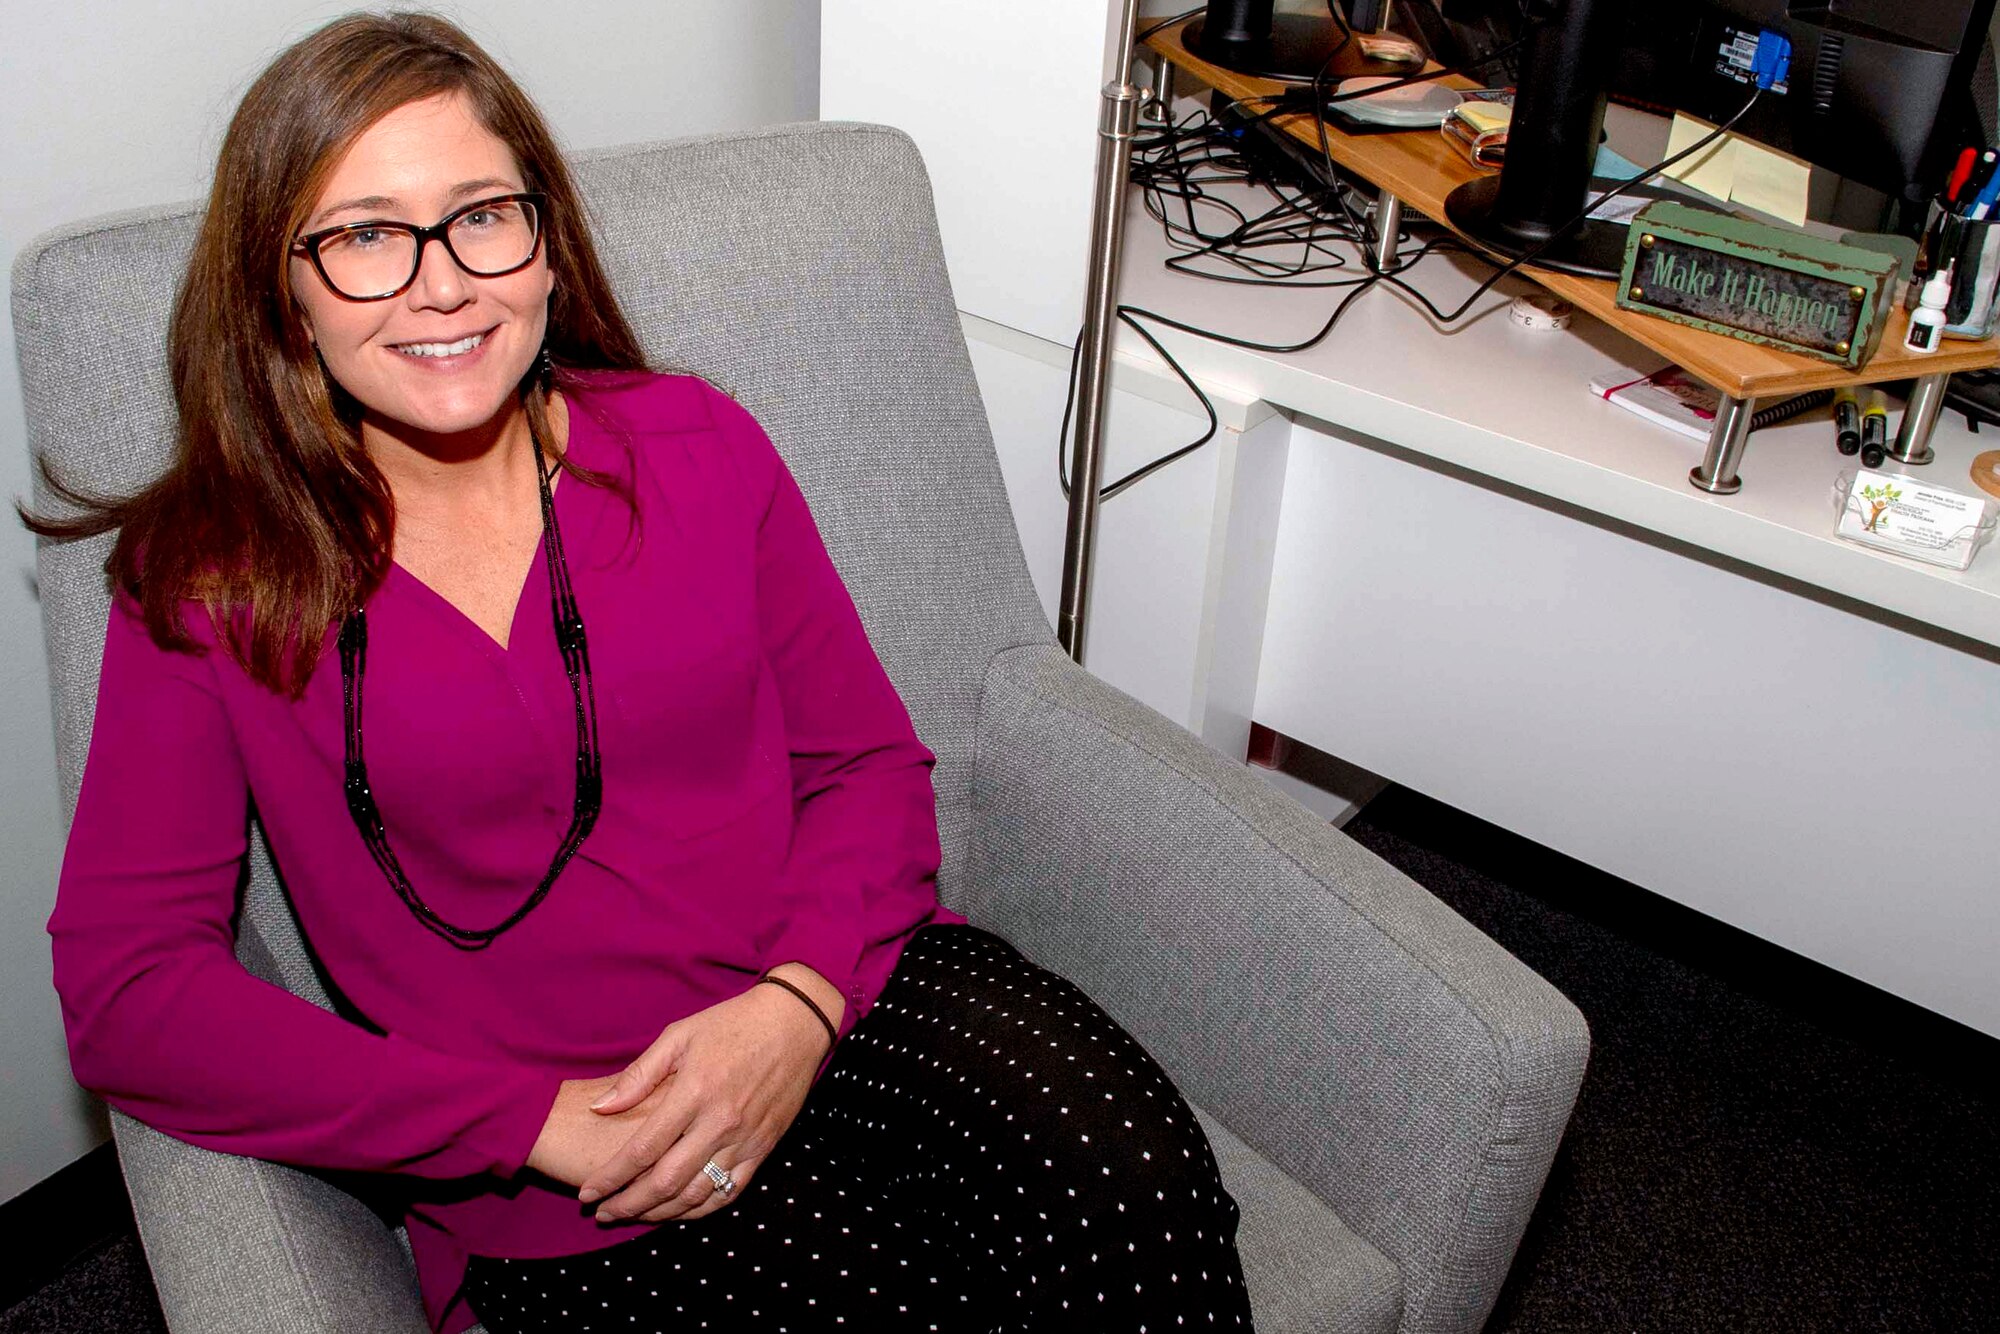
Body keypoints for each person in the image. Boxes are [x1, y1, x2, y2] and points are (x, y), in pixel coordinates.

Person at [34, 12, 1253, 1333]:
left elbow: (865, 769)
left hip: (836, 987)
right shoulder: (209, 580)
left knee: (1139, 1184)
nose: (441, 282)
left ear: (546, 244)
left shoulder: (694, 446)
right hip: (578, 1147)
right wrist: (523, 1120)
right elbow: (131, 991)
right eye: (366, 235)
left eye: (482, 216)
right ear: (286, 288)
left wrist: (792, 1009)